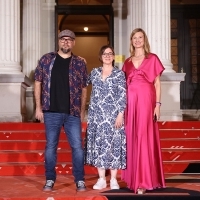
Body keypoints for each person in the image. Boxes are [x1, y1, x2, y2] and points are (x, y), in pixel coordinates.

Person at [34, 29, 87, 192]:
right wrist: (38, 107)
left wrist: (83, 111)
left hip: (73, 112)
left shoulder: (80, 62)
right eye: (63, 39)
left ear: (74, 43)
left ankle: (80, 180)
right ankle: (50, 179)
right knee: (50, 146)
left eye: (69, 39)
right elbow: (38, 82)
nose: (66, 42)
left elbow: (84, 88)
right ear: (58, 41)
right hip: (51, 111)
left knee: (77, 147)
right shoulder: (46, 59)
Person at [121, 28, 166, 194]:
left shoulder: (152, 58)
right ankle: (134, 179)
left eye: (140, 37)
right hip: (130, 104)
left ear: (144, 40)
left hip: (147, 102)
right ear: (132, 41)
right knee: (132, 138)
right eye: (134, 38)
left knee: (144, 137)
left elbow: (157, 83)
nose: (137, 40)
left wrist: (158, 105)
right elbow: (123, 86)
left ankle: (143, 181)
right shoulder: (127, 62)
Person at [85, 45, 126, 190]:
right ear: (100, 56)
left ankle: (114, 179)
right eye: (104, 54)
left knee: (114, 146)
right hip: (97, 116)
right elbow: (82, 82)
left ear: (114, 56)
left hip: (114, 116)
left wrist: (121, 114)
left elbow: (122, 95)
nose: (107, 56)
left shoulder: (119, 74)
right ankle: (102, 179)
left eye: (110, 54)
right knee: (99, 145)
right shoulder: (94, 72)